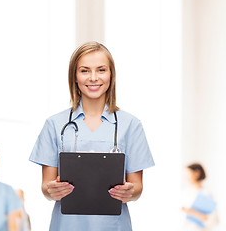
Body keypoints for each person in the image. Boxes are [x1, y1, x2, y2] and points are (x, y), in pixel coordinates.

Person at [29, 41, 155, 231]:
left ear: (111, 75)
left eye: (101, 70)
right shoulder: (54, 124)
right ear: (75, 77)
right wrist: (52, 190)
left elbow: (137, 188)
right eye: (85, 70)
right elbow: (46, 188)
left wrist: (129, 192)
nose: (94, 78)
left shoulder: (131, 125)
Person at [181, 163, 219, 231]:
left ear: (197, 173)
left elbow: (214, 221)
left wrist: (192, 212)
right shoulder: (185, 193)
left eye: (187, 174)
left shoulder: (206, 194)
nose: (184, 177)